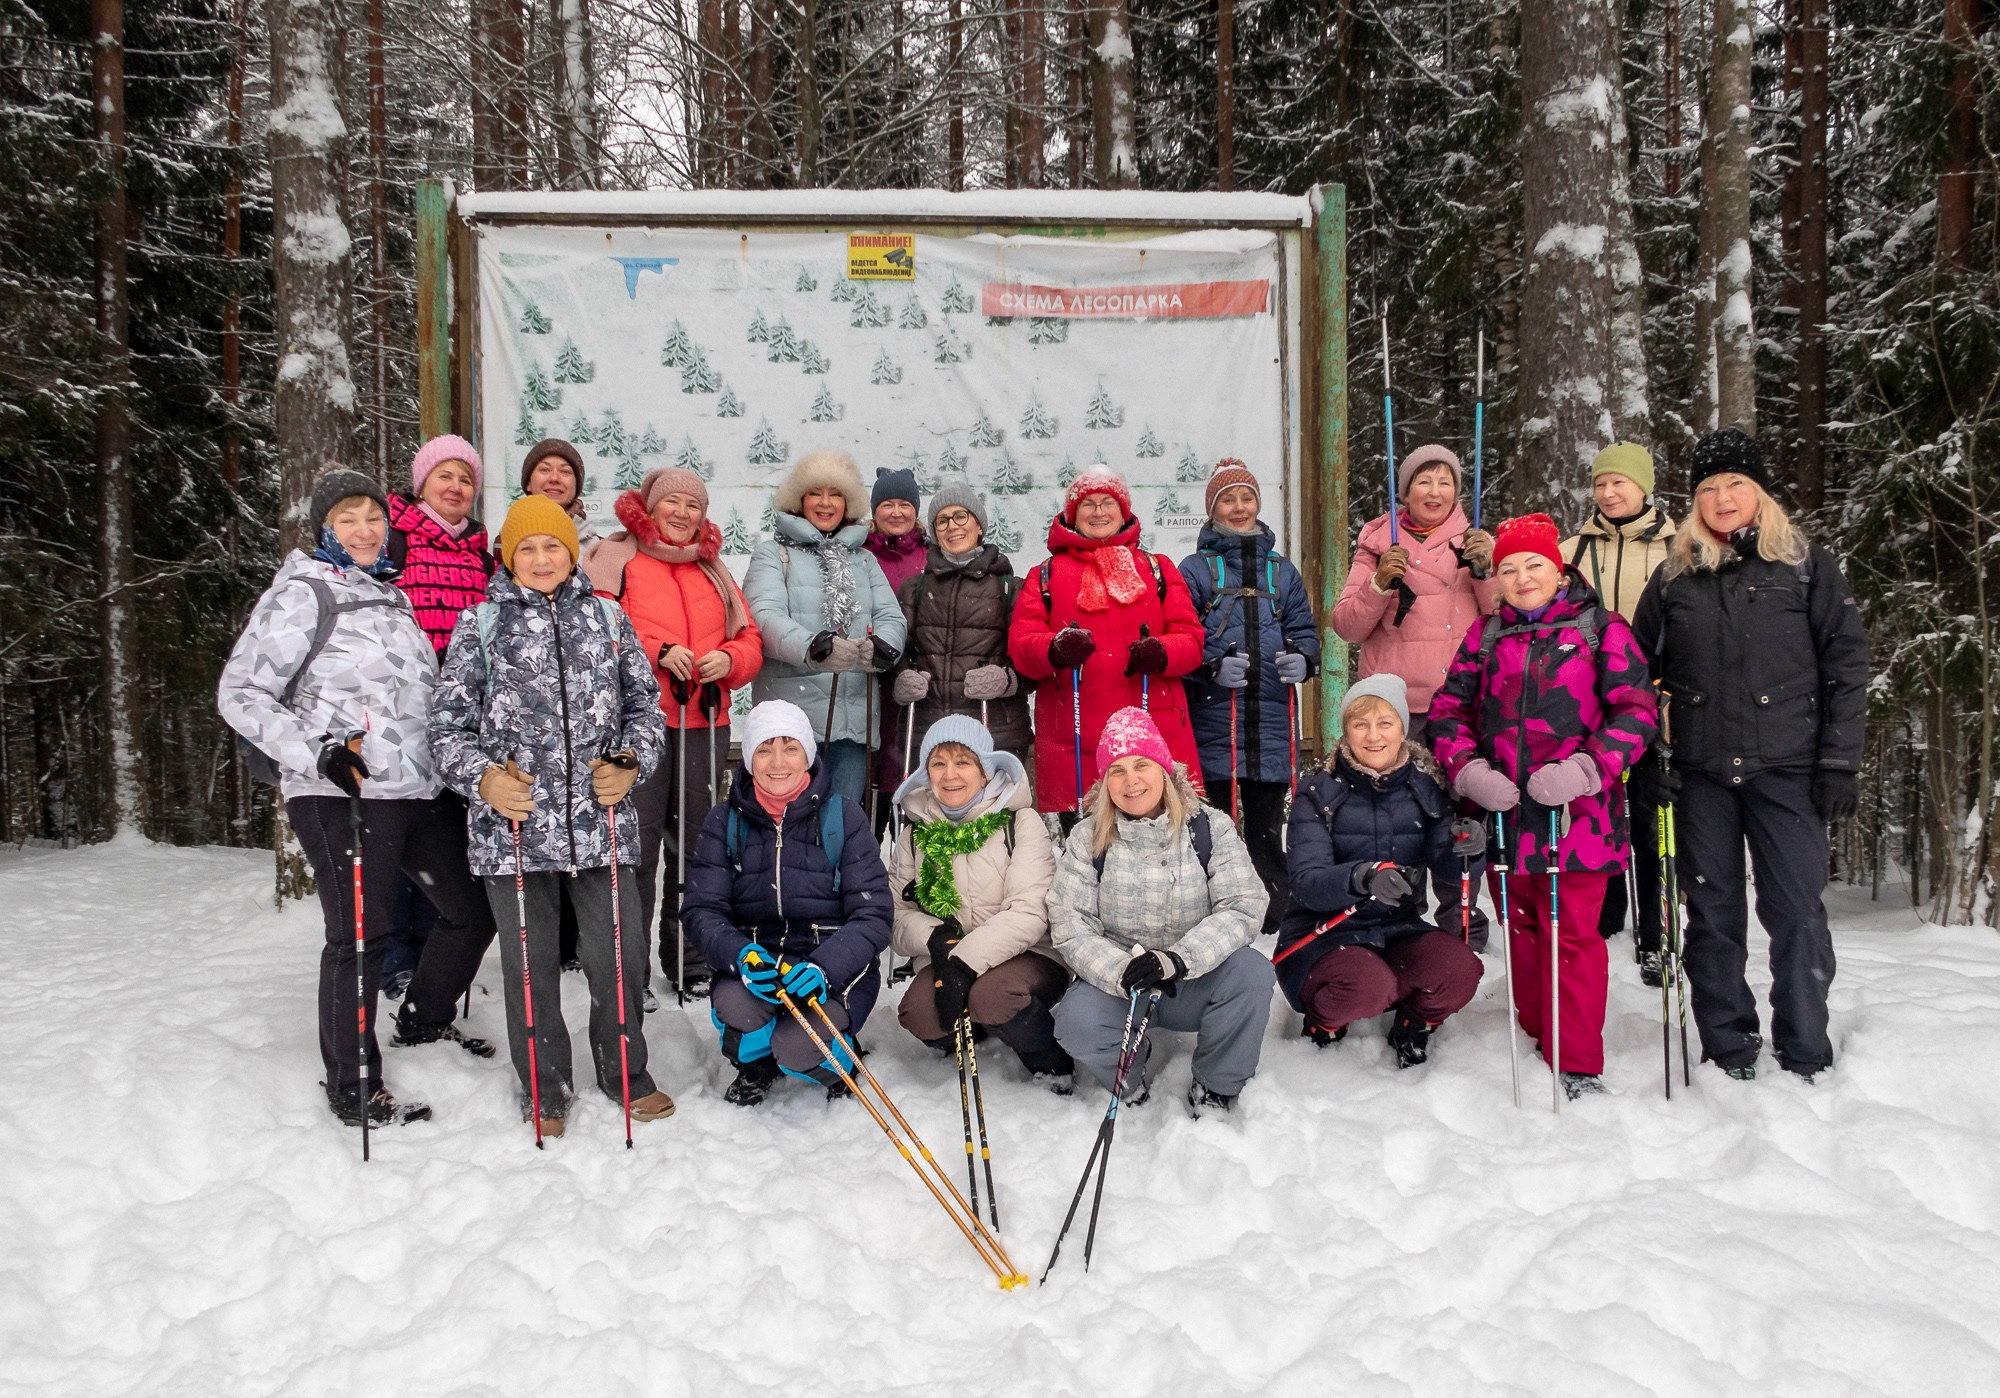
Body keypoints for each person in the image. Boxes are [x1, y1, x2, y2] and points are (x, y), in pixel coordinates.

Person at [218, 467, 498, 1129]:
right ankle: (354, 1082)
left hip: (414, 788)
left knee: (470, 911)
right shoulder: (302, 593)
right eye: (348, 518)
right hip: (339, 791)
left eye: (373, 517)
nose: (366, 529)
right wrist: (312, 751)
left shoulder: (390, 595)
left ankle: (425, 1020)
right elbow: (241, 693)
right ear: (324, 528)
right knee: (360, 938)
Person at [428, 494, 674, 1138]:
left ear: (573, 553)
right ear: (509, 557)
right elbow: (446, 728)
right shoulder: (479, 625)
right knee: (529, 965)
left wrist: (629, 761)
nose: (540, 559)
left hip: (601, 823)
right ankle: (546, 1086)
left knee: (615, 955)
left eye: (552, 546)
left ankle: (626, 1073)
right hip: (514, 828)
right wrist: (482, 779)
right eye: (526, 548)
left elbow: (646, 711)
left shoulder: (609, 621)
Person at [1630, 429, 1868, 1083]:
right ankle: (1728, 1048)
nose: (1722, 497)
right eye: (1708, 488)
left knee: (1796, 913)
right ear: (1694, 503)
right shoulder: (1675, 575)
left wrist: (1839, 762)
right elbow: (1631, 673)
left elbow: (1846, 665)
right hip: (1701, 774)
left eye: (1735, 484)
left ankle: (1805, 1046)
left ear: (1760, 493)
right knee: (1712, 916)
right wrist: (1649, 755)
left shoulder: (1807, 566)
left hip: (1788, 770)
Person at [1428, 513, 1659, 1099]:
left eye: (1534, 564)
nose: (1522, 576)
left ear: (1558, 569)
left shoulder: (1600, 629)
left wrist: (1587, 770)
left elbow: (1636, 712)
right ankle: (1536, 1030)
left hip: (1579, 819)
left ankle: (1576, 1059)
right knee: (1523, 927)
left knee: (1575, 936)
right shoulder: (1485, 634)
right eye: (1509, 567)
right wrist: (1471, 772)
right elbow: (1447, 712)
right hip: (1508, 819)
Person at [582, 466, 763, 1004]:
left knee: (697, 851)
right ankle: (629, 973)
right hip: (639, 724)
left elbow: (748, 637)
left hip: (705, 722)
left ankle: (689, 960)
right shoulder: (617, 557)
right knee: (634, 851)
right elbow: (596, 625)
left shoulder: (714, 569)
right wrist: (659, 650)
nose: (682, 514)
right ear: (650, 507)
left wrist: (727, 659)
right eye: (672, 503)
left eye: (693, 505)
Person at [1049, 706, 1272, 1116]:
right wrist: (1123, 972)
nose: (1130, 780)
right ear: (1104, 782)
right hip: (1123, 985)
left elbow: (1243, 904)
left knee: (1251, 972)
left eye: (1141, 765)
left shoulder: (1209, 827)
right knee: (1076, 1022)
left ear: (1164, 770)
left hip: (1191, 977)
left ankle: (1216, 1084)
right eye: (1116, 770)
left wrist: (1178, 959)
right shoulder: (1086, 838)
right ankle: (1128, 1077)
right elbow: (1069, 922)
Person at [680, 700, 894, 1106]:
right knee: (738, 1016)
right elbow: (701, 910)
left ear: (808, 755)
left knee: (798, 1047)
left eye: (790, 747)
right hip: (761, 965)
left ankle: (835, 1060)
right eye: (764, 749)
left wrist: (825, 968)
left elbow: (874, 914)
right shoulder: (724, 821)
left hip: (828, 969)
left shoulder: (843, 817)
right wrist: (741, 956)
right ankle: (757, 1066)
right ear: (748, 759)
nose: (777, 761)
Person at [1277, 675, 1484, 1067]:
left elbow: (1449, 869)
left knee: (1461, 969)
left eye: (1385, 723)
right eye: (1360, 724)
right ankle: (1325, 1023)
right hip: (1323, 935)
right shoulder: (1318, 792)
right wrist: (1362, 877)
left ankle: (1415, 1022)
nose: (1373, 735)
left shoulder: (1426, 789)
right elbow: (1306, 883)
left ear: (1403, 728)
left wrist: (1468, 849)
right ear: (1346, 731)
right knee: (1368, 986)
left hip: (1398, 930)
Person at [1007, 468, 1207, 825]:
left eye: (1107, 502)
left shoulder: (1158, 568)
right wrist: (1054, 649)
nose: (1098, 512)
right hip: (1077, 738)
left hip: (1152, 731)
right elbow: (1021, 646)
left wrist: (1162, 652)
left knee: (1161, 855)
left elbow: (1192, 640)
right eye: (1088, 504)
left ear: (1123, 510)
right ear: (1072, 514)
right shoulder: (1045, 575)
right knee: (1087, 861)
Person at [885, 716, 1070, 1085]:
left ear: (985, 771)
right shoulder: (914, 834)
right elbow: (895, 914)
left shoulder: (1019, 822)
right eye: (938, 763)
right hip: (945, 953)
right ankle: (973, 1032)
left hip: (1026, 954)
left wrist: (964, 964)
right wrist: (934, 938)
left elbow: (1030, 911)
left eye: (963, 762)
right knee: (918, 1014)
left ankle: (1048, 1061)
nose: (949, 774)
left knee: (992, 996)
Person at [1179, 460, 1321, 933]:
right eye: (1228, 498)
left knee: (1265, 830)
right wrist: (1212, 664)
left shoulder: (1282, 571)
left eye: (1247, 497)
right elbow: (1182, 633)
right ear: (1212, 508)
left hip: (1272, 724)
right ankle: (1211, 914)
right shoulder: (1196, 569)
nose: (1239, 507)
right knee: (1213, 830)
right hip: (1215, 723)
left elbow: (1303, 627)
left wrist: (1305, 658)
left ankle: (1275, 919)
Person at [382, 434, 496, 1000]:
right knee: (405, 849)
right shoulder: (391, 542)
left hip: (463, 726)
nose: (456, 487)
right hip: (403, 724)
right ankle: (397, 962)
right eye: (444, 476)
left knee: (449, 851)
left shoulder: (482, 553)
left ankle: (435, 969)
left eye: (466, 479)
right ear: (422, 480)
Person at [1560, 442, 1678, 975]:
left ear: (1644, 486)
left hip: (1656, 701)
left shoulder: (1679, 548)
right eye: (1601, 484)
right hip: (1590, 706)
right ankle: (1604, 920)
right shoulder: (1572, 550)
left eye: (1620, 483)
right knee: (1597, 816)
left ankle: (1654, 934)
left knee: (1651, 821)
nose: (1609, 493)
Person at [744, 451, 907, 806]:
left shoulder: (864, 559)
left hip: (853, 723)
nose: (825, 503)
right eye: (815, 492)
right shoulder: (773, 554)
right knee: (788, 828)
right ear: (799, 499)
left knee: (840, 826)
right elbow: (764, 617)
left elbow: (891, 618)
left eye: (836, 494)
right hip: (787, 727)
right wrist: (813, 647)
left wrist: (882, 647)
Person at [1331, 445, 1500, 744]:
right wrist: (1378, 585)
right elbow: (1347, 627)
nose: (1435, 492)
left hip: (1463, 700)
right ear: (1406, 494)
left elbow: (1504, 619)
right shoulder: (1378, 546)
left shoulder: (1478, 544)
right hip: (1395, 707)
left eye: (1445, 482)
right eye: (1424, 481)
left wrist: (1486, 575)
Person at [890, 480, 1033, 775]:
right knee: (929, 820)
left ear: (979, 525)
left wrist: (1008, 680)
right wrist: (900, 678)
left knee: (995, 820)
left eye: (961, 516)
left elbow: (1032, 662)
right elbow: (896, 652)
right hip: (928, 735)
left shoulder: (1011, 588)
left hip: (996, 734)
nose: (952, 526)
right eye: (942, 520)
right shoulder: (914, 589)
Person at [866, 467, 928, 817]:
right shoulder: (859, 553)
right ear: (874, 511)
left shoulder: (931, 556)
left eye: (904, 503)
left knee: (906, 762)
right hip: (868, 678)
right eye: (887, 504)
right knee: (871, 765)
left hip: (915, 678)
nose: (896, 512)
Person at [522, 437, 604, 548]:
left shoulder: (601, 551)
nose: (554, 478)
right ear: (528, 483)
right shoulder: (500, 547)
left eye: (565, 471)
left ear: (576, 486)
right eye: (545, 469)